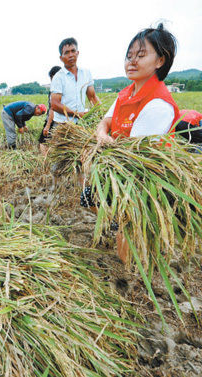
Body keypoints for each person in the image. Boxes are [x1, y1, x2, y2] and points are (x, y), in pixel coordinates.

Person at [91, 23, 179, 263]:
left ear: (160, 61)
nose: (132, 61)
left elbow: (135, 155)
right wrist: (101, 134)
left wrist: (104, 147)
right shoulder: (126, 93)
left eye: (141, 55)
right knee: (90, 199)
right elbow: (105, 121)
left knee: (127, 242)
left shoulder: (159, 103)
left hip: (140, 182)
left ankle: (133, 282)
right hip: (117, 170)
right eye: (129, 56)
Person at [50, 38, 100, 124]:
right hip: (63, 125)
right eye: (66, 52)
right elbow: (54, 104)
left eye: (73, 51)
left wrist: (102, 114)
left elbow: (92, 97)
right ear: (61, 58)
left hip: (81, 123)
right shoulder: (58, 77)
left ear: (77, 53)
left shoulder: (86, 73)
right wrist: (76, 114)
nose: (71, 55)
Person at [39, 66, 61, 156]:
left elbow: (53, 108)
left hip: (54, 120)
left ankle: (46, 161)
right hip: (66, 121)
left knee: (43, 142)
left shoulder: (54, 90)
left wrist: (48, 125)